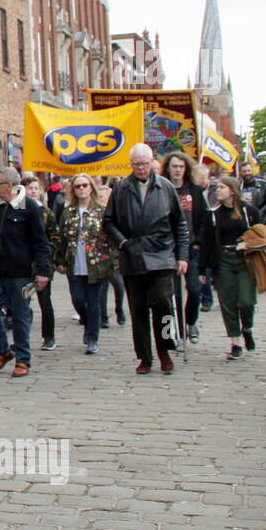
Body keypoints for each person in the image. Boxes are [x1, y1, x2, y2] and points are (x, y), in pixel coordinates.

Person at [102, 143, 188, 375]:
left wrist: (182, 256)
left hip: (162, 253)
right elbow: (108, 222)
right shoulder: (121, 188)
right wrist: (122, 243)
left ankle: (166, 349)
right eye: (136, 164)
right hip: (133, 254)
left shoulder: (165, 187)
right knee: (138, 308)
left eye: (144, 163)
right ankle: (145, 356)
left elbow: (179, 223)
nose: (141, 168)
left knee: (163, 302)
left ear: (152, 162)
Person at [0, 168, 51, 378]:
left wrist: (42, 271)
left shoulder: (28, 207)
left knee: (20, 316)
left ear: (9, 186)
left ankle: (23, 360)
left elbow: (41, 242)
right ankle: (3, 351)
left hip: (21, 273)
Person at [199, 176, 265, 358]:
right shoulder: (213, 214)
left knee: (246, 301)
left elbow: (261, 233)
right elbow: (207, 242)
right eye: (217, 187)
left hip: (245, 260)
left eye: (221, 187)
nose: (217, 190)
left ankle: (247, 328)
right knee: (227, 303)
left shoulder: (248, 211)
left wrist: (250, 243)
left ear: (232, 191)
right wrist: (202, 269)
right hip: (223, 260)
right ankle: (235, 342)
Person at [51, 173, 113, 355]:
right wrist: (59, 260)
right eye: (78, 186)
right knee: (78, 299)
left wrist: (114, 260)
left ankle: (92, 338)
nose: (82, 189)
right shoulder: (68, 212)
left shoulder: (100, 211)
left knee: (93, 300)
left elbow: (110, 237)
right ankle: (87, 323)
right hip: (74, 261)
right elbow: (60, 238)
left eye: (85, 185)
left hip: (96, 262)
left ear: (91, 188)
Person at [164, 151, 207, 343]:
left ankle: (191, 322)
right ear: (168, 168)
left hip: (191, 247)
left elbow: (203, 219)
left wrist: (198, 242)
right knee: (172, 294)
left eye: (181, 167)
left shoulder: (194, 191)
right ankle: (176, 330)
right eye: (174, 166)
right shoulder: (162, 189)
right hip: (168, 249)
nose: (178, 170)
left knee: (194, 289)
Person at [22, 176, 57, 350]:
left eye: (36, 188)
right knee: (23, 301)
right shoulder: (17, 210)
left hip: (42, 262)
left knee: (45, 301)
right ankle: (23, 337)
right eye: (30, 188)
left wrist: (48, 259)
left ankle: (49, 336)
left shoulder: (46, 212)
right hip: (23, 263)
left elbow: (54, 237)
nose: (33, 191)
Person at [94, 183, 127, 328]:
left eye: (105, 197)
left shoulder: (117, 215)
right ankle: (103, 316)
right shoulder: (94, 214)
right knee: (102, 288)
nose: (103, 200)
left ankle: (119, 308)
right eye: (100, 197)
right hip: (100, 257)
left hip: (115, 258)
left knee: (119, 286)